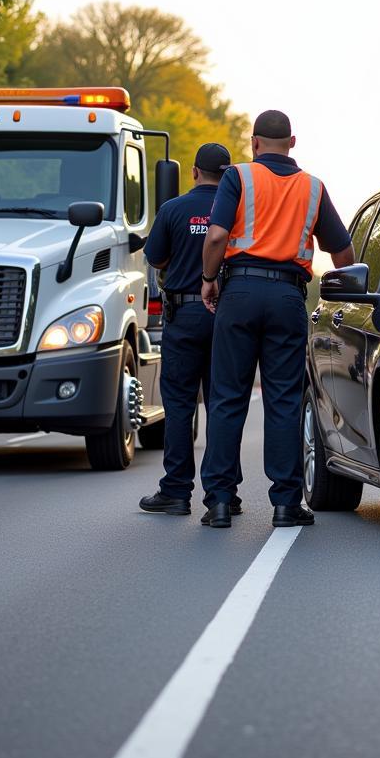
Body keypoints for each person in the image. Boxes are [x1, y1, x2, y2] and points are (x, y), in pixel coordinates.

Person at [198, 109, 355, 529]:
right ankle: (286, 504)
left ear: (253, 143)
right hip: (288, 297)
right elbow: (342, 253)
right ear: (293, 142)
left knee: (227, 397)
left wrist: (208, 279)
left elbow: (216, 236)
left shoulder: (239, 177)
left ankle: (218, 501)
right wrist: (345, 290)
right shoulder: (313, 187)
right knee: (284, 400)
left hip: (240, 292)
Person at [138, 143, 241, 517]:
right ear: (229, 173)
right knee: (223, 404)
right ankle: (225, 493)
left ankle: (176, 491)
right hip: (228, 316)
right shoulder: (239, 209)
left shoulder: (173, 209)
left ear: (195, 172)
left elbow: (157, 257)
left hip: (182, 316)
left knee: (180, 405)